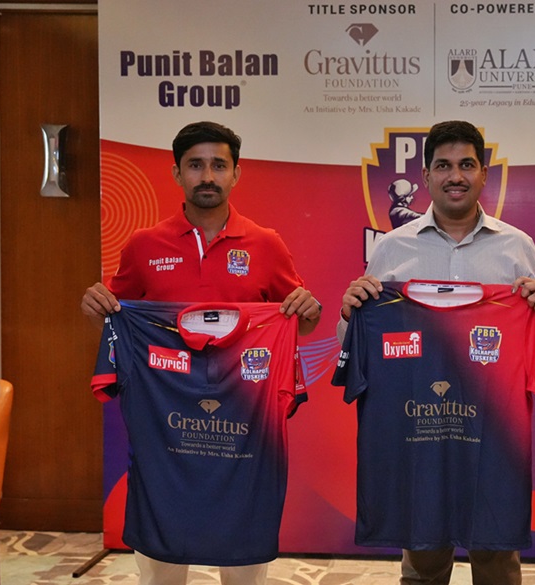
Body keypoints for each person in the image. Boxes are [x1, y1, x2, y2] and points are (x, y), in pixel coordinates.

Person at [81, 121, 321, 585]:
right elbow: (117, 325)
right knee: (163, 573)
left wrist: (307, 309)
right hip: (166, 439)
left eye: (218, 165)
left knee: (243, 573)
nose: (206, 176)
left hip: (244, 436)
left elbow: (301, 323)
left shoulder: (266, 245)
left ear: (236, 174)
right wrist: (97, 310)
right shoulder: (142, 246)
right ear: (176, 173)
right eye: (195, 165)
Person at [338, 120, 535, 585]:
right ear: (426, 176)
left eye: (466, 165)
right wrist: (352, 312)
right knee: (422, 557)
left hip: (493, 432)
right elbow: (356, 340)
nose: (455, 175)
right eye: (443, 166)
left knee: (495, 557)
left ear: (484, 174)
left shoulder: (517, 246)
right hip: (416, 429)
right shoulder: (392, 247)